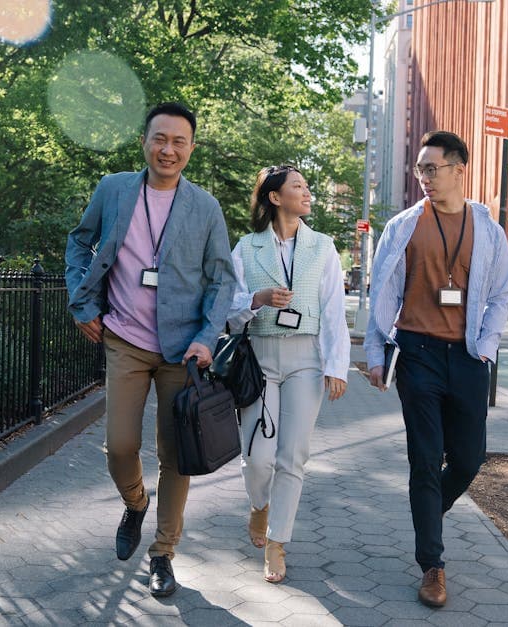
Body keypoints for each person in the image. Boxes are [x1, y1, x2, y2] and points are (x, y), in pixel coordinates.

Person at [65, 102, 235, 598]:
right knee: (120, 446)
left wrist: (207, 337)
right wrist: (81, 303)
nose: (168, 149)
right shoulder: (114, 189)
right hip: (124, 338)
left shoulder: (204, 207)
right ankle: (135, 502)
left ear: (191, 149)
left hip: (183, 351)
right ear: (144, 140)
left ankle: (163, 553)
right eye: (160, 138)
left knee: (176, 455)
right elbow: (79, 243)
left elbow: (222, 278)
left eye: (179, 141)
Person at [364, 131, 508, 608]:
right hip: (418, 354)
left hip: (468, 356)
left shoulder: (488, 229)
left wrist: (486, 346)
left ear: (458, 169)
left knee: (469, 459)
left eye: (432, 168)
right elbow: (382, 293)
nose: (425, 178)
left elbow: (502, 294)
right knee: (425, 461)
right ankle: (432, 564)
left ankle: (428, 508)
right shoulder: (404, 225)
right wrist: (374, 353)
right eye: (420, 170)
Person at [227, 165, 349, 584]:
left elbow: (334, 311)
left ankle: (277, 542)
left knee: (292, 455)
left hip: (306, 361)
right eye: (298, 186)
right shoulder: (245, 247)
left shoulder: (323, 247)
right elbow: (228, 310)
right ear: (275, 198)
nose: (307, 192)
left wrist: (337, 366)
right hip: (259, 358)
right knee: (258, 457)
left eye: (308, 186)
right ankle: (259, 505)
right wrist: (258, 299)